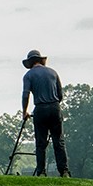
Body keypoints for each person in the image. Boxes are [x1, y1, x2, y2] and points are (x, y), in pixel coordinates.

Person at [21, 49, 70, 177]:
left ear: (30, 62)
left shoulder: (28, 75)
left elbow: (25, 94)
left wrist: (24, 111)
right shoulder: (53, 73)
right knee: (58, 141)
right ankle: (64, 171)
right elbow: (60, 95)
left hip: (40, 109)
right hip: (55, 108)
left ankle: (41, 172)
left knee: (40, 142)